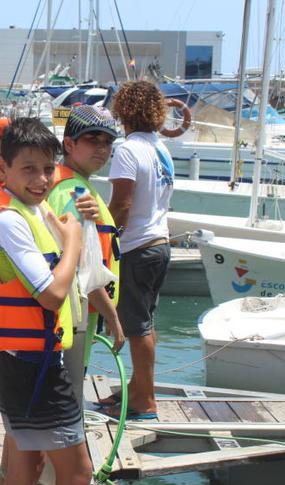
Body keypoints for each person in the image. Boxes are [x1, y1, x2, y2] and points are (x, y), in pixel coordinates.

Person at [0, 118, 91, 485]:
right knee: (77, 473)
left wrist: (81, 221)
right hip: (28, 363)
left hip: (27, 356)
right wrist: (73, 242)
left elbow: (63, 225)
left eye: (47, 169)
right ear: (3, 169)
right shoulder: (8, 219)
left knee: (28, 462)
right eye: (29, 169)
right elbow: (52, 295)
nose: (41, 179)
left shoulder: (29, 207)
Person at [101, 81, 174, 421]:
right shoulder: (160, 148)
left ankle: (145, 403)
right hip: (160, 243)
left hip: (137, 246)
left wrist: (105, 240)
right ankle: (140, 389)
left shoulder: (128, 149)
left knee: (136, 327)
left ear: (123, 110)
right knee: (145, 323)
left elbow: (122, 204)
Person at [46, 105, 125, 399]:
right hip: (73, 318)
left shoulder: (68, 183)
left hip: (71, 316)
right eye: (93, 139)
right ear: (69, 144)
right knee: (65, 409)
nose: (102, 148)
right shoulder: (73, 194)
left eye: (108, 142)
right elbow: (83, 269)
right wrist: (113, 318)